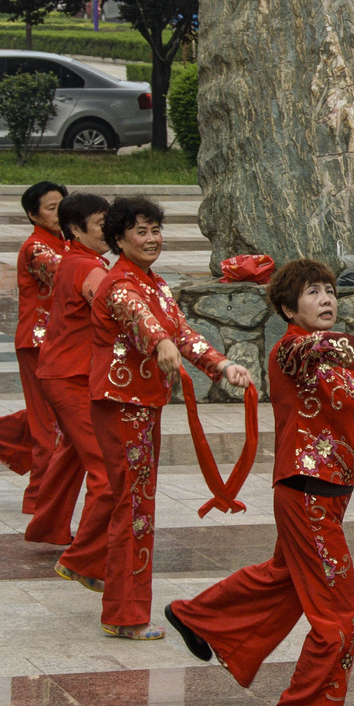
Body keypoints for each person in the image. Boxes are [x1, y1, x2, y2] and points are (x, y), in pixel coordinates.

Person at [167, 259, 354, 706]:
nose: (326, 300)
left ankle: (198, 617)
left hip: (328, 495)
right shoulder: (293, 351)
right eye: (313, 293)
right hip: (305, 492)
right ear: (287, 308)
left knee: (284, 579)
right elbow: (327, 345)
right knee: (340, 607)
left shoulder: (342, 359)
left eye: (330, 291)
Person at [89, 197, 253, 639]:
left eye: (155, 230)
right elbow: (141, 320)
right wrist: (160, 343)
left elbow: (182, 333)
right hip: (124, 404)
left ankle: (112, 597)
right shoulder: (121, 283)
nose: (151, 239)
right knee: (134, 506)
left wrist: (220, 365)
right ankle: (125, 615)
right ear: (119, 238)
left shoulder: (154, 282)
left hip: (141, 404)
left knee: (132, 501)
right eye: (140, 231)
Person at [0, 180, 84, 535]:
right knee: (50, 421)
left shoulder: (68, 242)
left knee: (56, 411)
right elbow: (69, 277)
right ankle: (40, 500)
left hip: (67, 343)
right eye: (51, 208)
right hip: (39, 344)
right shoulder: (37, 248)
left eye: (62, 206)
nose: (59, 213)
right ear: (33, 215)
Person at [32, 191, 112, 590]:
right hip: (71, 378)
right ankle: (83, 559)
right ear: (77, 229)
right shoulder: (87, 268)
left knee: (71, 457)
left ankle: (47, 526)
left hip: (64, 372)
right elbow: (117, 311)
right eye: (102, 225)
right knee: (107, 472)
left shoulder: (79, 260)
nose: (110, 232)